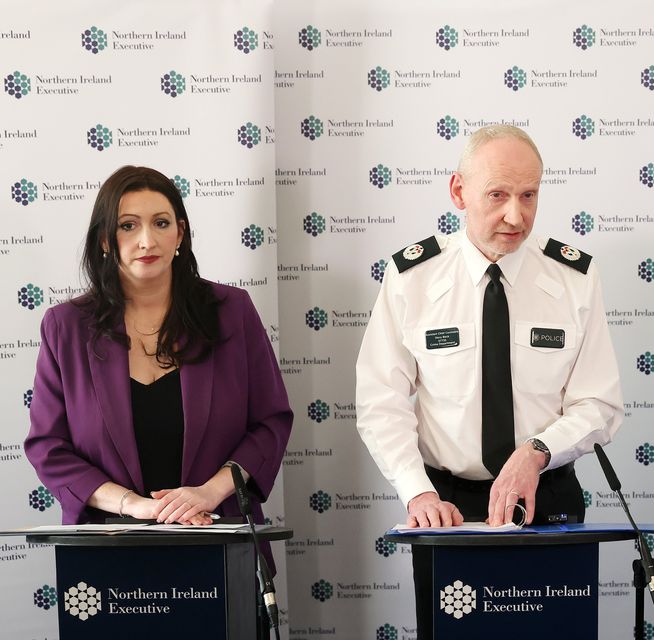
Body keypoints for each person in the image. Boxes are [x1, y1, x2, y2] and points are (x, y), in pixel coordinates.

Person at [355, 125, 623, 637]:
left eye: (529, 196)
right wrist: (417, 493)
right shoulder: (413, 277)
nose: (515, 215)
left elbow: (598, 403)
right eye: (497, 195)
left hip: (547, 499)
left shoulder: (574, 278)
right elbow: (380, 400)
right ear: (459, 191)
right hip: (449, 509)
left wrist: (535, 452)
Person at [25, 165, 293, 533]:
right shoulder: (66, 327)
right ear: (105, 238)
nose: (147, 241)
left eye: (162, 223)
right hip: (108, 547)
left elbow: (270, 423)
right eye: (128, 225)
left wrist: (208, 493)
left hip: (219, 537)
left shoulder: (232, 311)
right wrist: (133, 505)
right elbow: (48, 448)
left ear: (180, 233)